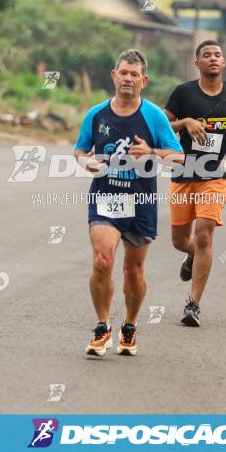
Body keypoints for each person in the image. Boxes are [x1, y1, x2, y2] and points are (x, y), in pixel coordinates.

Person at [74, 49, 183, 356]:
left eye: (134, 74)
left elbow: (179, 157)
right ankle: (102, 326)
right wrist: (86, 163)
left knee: (133, 270)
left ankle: (130, 325)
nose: (128, 79)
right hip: (106, 195)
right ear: (114, 75)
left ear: (144, 80)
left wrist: (152, 153)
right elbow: (80, 150)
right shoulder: (95, 115)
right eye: (123, 72)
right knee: (102, 260)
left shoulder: (154, 116)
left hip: (141, 200)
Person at [164, 39, 226, 327]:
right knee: (180, 241)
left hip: (217, 173)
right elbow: (161, 127)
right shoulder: (183, 93)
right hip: (184, 173)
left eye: (217, 55)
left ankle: (194, 304)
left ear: (224, 62)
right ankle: (192, 256)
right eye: (206, 55)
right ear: (197, 63)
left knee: (204, 234)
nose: (213, 58)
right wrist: (186, 122)